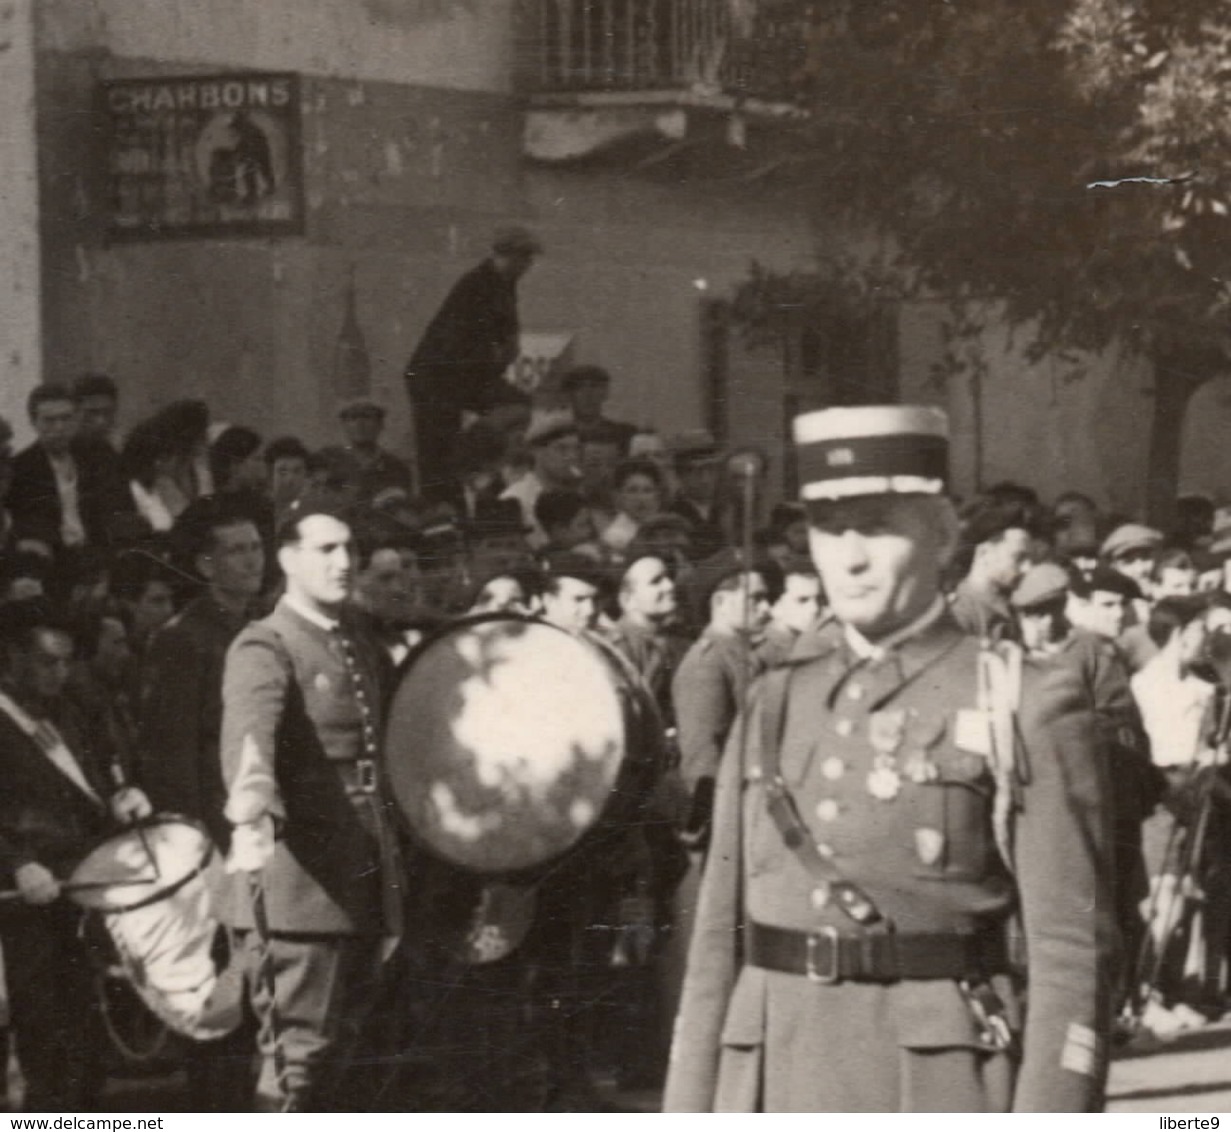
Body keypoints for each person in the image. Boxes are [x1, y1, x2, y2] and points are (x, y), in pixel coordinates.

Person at [664, 405, 1115, 1113]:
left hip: (934, 1084)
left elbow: (1072, 954)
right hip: (770, 1077)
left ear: (940, 536)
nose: (847, 558)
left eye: (877, 526)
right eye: (827, 528)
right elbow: (715, 944)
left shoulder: (1019, 697)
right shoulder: (773, 700)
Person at [219, 493, 402, 1111]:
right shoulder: (265, 643)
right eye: (326, 549)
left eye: (349, 548)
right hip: (302, 889)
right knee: (298, 1058)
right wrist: (252, 801)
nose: (344, 561)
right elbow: (251, 731)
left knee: (345, 1054)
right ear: (288, 559)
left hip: (363, 878)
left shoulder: (351, 638)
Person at [135, 496, 265, 1110]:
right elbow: (171, 760)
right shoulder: (185, 640)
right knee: (219, 1003)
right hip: (213, 846)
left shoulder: (264, 630)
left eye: (255, 547)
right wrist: (202, 852)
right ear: (206, 564)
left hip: (265, 840)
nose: (250, 561)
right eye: (234, 551)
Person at [0, 599, 151, 1111]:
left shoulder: (69, 711)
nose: (59, 673)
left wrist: (123, 797)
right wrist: (16, 862)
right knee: (42, 1038)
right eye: (47, 662)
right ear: (11, 658)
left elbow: (99, 777)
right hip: (24, 904)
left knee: (86, 1037)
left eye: (66, 662)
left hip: (82, 890)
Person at [404, 226, 541, 497]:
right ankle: (444, 500)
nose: (528, 265)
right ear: (506, 256)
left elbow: (504, 335)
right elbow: (460, 343)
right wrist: (496, 359)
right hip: (439, 378)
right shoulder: (477, 284)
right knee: (437, 455)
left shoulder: (504, 284)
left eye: (529, 258)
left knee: (517, 404)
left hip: (467, 375)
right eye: (523, 257)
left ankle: (481, 459)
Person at [7, 384, 123, 563]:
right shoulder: (22, 468)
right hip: (53, 562)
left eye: (66, 418)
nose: (59, 427)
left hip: (98, 557)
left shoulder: (95, 457)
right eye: (49, 420)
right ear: (33, 422)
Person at [949, 496, 1045, 641]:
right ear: (984, 553)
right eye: (1019, 558)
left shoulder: (1009, 608)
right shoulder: (960, 614)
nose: (1027, 568)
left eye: (1029, 559)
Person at [500, 413, 582, 548]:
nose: (572, 457)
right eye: (562, 449)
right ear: (536, 451)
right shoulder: (517, 498)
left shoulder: (577, 494)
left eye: (576, 449)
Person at [318, 399, 413, 506]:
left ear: (380, 424)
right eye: (353, 418)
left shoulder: (397, 468)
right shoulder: (328, 460)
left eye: (367, 417)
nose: (360, 424)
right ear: (344, 425)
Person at [668, 433, 726, 561]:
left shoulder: (725, 511)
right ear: (680, 475)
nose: (705, 480)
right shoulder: (671, 516)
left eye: (711, 469)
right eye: (697, 472)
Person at [757, 558, 824, 668]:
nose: (815, 608)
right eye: (802, 600)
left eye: (819, 599)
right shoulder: (763, 657)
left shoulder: (816, 641)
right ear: (776, 607)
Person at [560, 365, 637, 453]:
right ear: (568, 395)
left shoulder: (624, 434)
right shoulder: (556, 436)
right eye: (580, 388)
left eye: (594, 386)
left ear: (605, 393)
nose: (588, 395)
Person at [600, 459, 668, 557]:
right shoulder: (614, 538)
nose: (641, 498)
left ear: (658, 495)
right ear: (618, 496)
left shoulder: (663, 528)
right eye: (632, 490)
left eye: (648, 490)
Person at [264, 436, 311, 513]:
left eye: (297, 471)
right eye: (282, 472)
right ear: (270, 474)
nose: (290, 479)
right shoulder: (261, 508)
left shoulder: (309, 510)